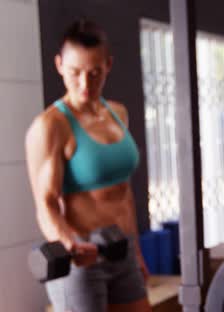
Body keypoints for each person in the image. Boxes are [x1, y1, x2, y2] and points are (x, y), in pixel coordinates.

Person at [25, 20, 151, 312]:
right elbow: (45, 203)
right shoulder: (50, 126)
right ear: (59, 65)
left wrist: (137, 252)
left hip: (123, 249)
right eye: (75, 73)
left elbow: (124, 192)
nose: (85, 84)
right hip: (82, 259)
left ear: (108, 65)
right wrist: (68, 242)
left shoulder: (118, 113)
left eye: (94, 73)